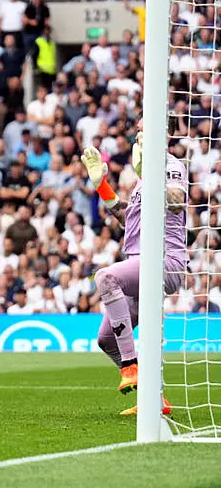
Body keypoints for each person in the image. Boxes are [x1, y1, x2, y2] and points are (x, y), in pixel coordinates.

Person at [81, 126, 183, 416]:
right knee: (105, 339)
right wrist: (102, 186)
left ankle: (130, 366)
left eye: (145, 129)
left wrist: (152, 175)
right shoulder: (141, 178)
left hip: (165, 261)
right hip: (139, 266)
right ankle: (154, 398)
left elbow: (176, 204)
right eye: (138, 131)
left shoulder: (170, 165)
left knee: (105, 277)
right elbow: (129, 220)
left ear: (164, 134)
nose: (140, 135)